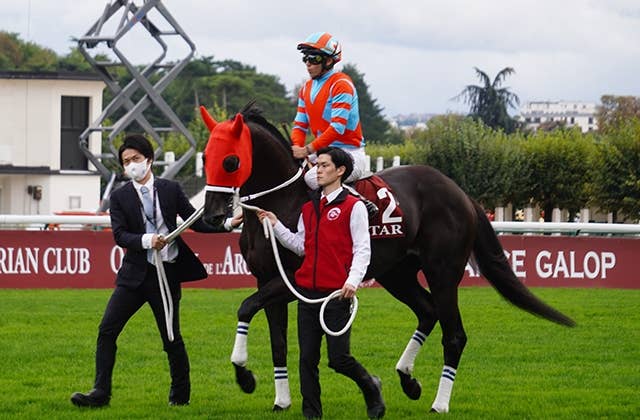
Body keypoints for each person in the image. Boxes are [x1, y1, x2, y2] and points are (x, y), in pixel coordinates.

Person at [70, 134, 242, 408]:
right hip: (134, 276)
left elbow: (194, 221)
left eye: (136, 159)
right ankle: (100, 393)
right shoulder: (119, 197)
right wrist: (148, 240)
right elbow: (120, 235)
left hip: (166, 276)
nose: (132, 165)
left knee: (171, 337)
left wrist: (228, 225)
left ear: (148, 159)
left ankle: (180, 397)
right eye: (126, 161)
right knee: (107, 330)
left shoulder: (170, 189)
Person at [258, 147, 385, 419]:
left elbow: (363, 249)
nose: (318, 169)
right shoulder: (309, 208)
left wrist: (352, 281)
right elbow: (300, 246)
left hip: (337, 295)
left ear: (340, 171)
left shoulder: (354, 207)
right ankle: (311, 414)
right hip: (307, 295)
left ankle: (371, 387)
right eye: (317, 165)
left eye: (325, 165)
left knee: (339, 360)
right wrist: (276, 224)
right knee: (307, 360)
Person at [291, 31, 378, 216]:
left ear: (328, 61)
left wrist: (307, 150)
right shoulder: (305, 88)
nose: (308, 63)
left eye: (313, 58)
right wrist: (296, 147)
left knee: (312, 178)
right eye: (305, 58)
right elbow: (299, 126)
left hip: (350, 154)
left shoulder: (341, 84)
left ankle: (362, 203)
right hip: (323, 154)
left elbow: (337, 128)